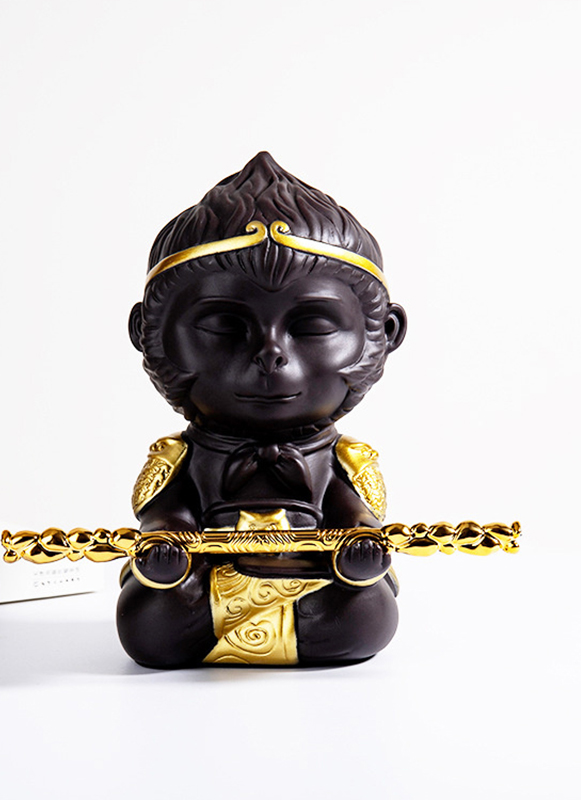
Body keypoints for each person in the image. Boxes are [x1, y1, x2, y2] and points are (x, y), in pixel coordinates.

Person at [117, 152, 407, 667]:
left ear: (384, 333)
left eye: (311, 326)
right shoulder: (178, 457)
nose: (270, 353)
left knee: (366, 614)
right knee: (148, 621)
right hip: (205, 583)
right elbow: (167, 509)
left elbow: (352, 510)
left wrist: (360, 542)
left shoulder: (346, 459)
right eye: (225, 327)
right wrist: (165, 542)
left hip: (310, 578)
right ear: (147, 333)